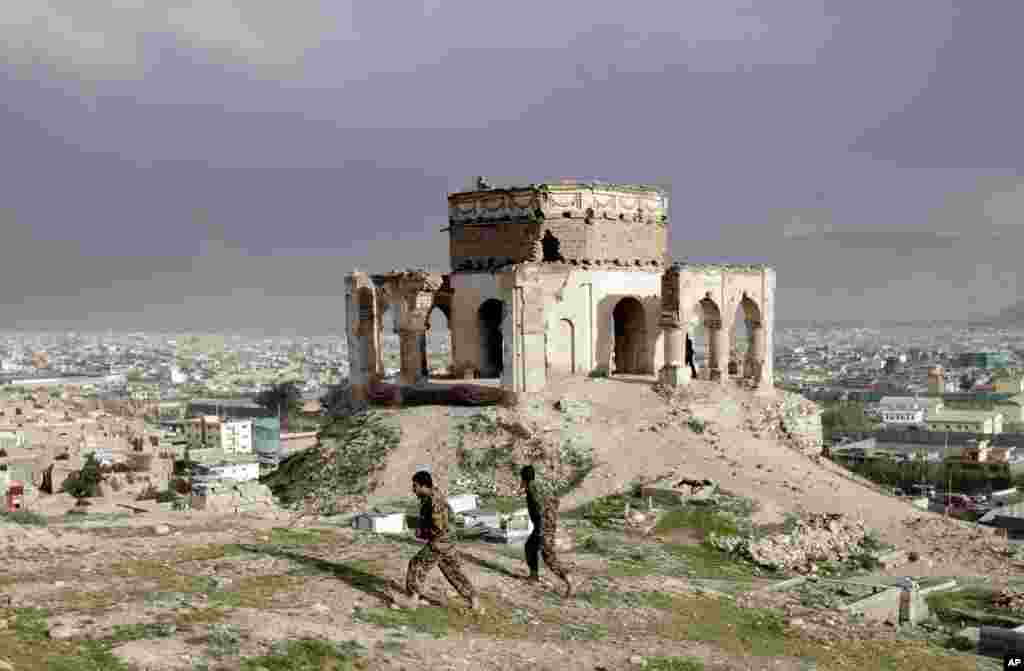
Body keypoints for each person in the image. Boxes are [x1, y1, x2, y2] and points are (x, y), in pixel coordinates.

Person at [405, 470, 481, 612]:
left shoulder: (435, 502)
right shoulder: (430, 496)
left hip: (440, 541)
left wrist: (422, 533)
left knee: (417, 564)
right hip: (448, 541)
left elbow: (438, 528)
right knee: (452, 571)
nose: (413, 489)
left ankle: (413, 599)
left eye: (415, 486)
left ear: (423, 486)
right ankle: (474, 600)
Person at [521, 465, 574, 597]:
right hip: (546, 524)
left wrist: (540, 527)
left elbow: (539, 507)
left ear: (524, 477)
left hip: (542, 527)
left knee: (548, 557)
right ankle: (533, 576)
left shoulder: (532, 488)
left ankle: (567, 578)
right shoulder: (541, 486)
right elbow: (555, 500)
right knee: (530, 547)